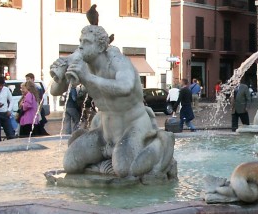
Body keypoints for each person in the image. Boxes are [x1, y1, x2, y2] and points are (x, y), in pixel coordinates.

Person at [48, 22, 175, 178]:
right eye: (80, 41)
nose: (81, 47)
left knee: (124, 170)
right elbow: (55, 91)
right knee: (70, 163)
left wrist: (88, 78)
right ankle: (107, 160)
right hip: (105, 131)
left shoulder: (118, 61)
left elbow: (125, 86)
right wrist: (59, 76)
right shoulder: (82, 62)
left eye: (87, 42)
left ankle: (160, 144)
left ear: (101, 47)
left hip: (133, 125)